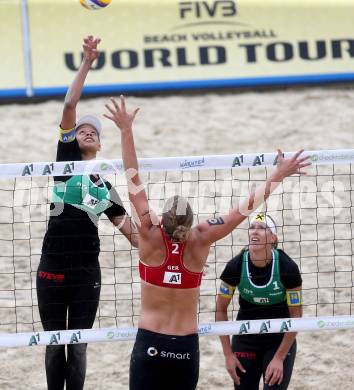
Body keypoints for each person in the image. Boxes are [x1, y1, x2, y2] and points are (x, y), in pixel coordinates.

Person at [104, 95, 310, 390]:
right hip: (185, 347)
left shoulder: (149, 235)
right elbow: (244, 209)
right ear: (190, 223)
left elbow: (132, 180)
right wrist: (277, 175)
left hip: (150, 341)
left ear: (162, 219)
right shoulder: (200, 239)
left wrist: (126, 130)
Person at [36, 37, 138, 390]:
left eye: (94, 130)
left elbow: (132, 233)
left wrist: (165, 241)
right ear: (72, 139)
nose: (88, 131)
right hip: (52, 264)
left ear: (100, 143)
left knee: (77, 347)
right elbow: (70, 103)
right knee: (54, 346)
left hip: (85, 270)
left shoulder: (104, 187)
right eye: (82, 129)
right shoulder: (66, 163)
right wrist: (87, 63)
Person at [216, 213, 302, 390]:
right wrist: (227, 355)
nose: (254, 232)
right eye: (252, 227)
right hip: (246, 336)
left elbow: (296, 316)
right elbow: (220, 309)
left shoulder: (287, 268)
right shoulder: (236, 265)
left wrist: (279, 358)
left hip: (279, 337)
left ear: (273, 238)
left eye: (261, 228)